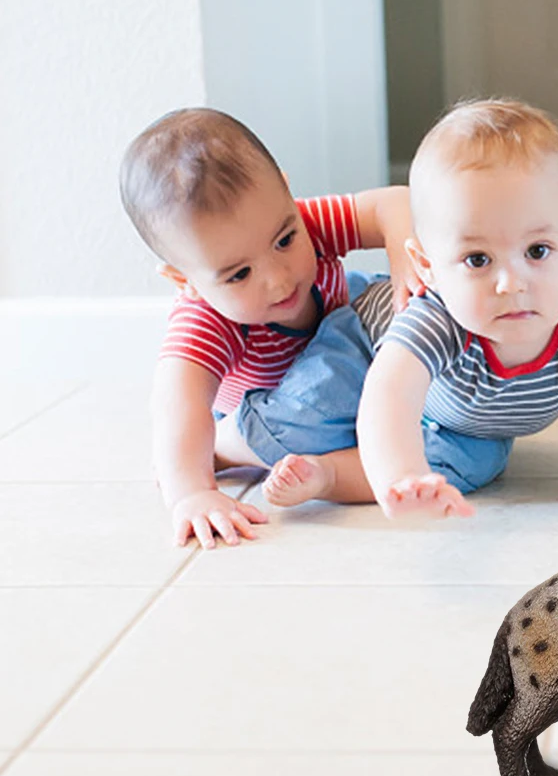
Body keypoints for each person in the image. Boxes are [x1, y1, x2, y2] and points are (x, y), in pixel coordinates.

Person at [254, 98, 558, 525]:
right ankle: (230, 442)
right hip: (362, 345)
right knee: (308, 415)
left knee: (464, 467)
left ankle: (328, 474)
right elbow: (390, 396)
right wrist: (400, 473)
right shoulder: (437, 318)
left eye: (537, 251)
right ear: (427, 267)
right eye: (478, 259)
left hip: (466, 421)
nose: (511, 283)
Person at [119, 107, 418, 548]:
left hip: (342, 350)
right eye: (239, 274)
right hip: (283, 403)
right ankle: (227, 447)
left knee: (394, 308)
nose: (279, 279)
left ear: (286, 191)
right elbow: (175, 402)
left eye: (284, 241)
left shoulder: (302, 222)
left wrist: (405, 262)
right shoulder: (205, 320)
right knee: (338, 434)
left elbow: (393, 203)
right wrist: (192, 493)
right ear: (185, 280)